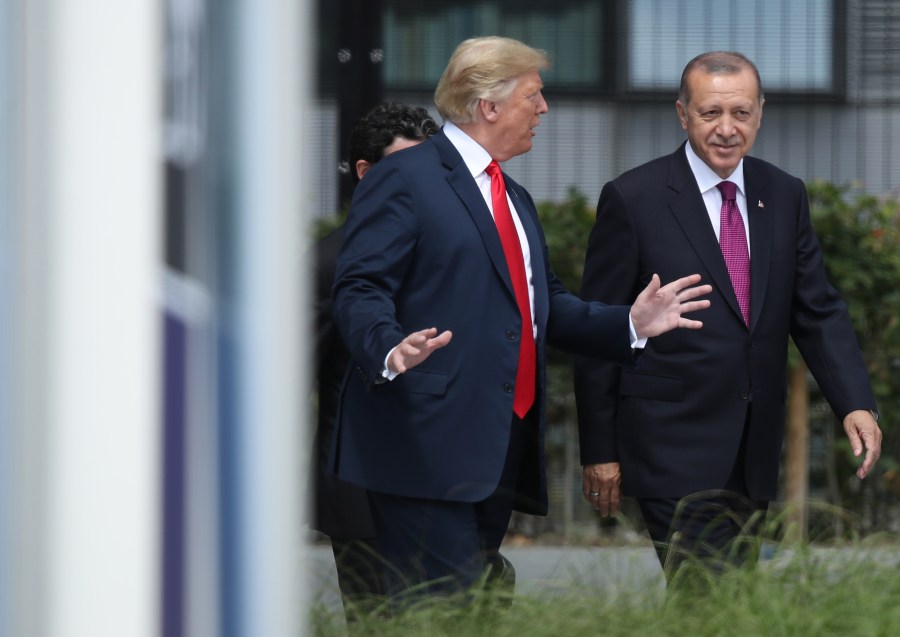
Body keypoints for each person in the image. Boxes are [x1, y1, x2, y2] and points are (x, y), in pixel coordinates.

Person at [329, 36, 712, 603]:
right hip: (422, 440)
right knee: (444, 609)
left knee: (473, 608)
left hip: (497, 446)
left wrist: (629, 321)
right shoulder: (404, 176)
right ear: (488, 105)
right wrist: (388, 348)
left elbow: (544, 306)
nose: (544, 108)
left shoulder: (514, 196)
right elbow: (359, 286)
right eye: (534, 95)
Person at [573, 51, 883, 579]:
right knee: (707, 590)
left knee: (730, 597)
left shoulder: (783, 194)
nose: (726, 128)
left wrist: (855, 402)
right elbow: (597, 329)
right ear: (682, 114)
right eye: (710, 112)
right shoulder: (633, 198)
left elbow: (817, 310)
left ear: (761, 113)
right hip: (669, 444)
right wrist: (599, 449)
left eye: (741, 113)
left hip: (753, 445)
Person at [311, 102, 438, 620]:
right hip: (363, 495)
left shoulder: (442, 248)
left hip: (445, 485)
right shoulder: (328, 262)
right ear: (366, 173)